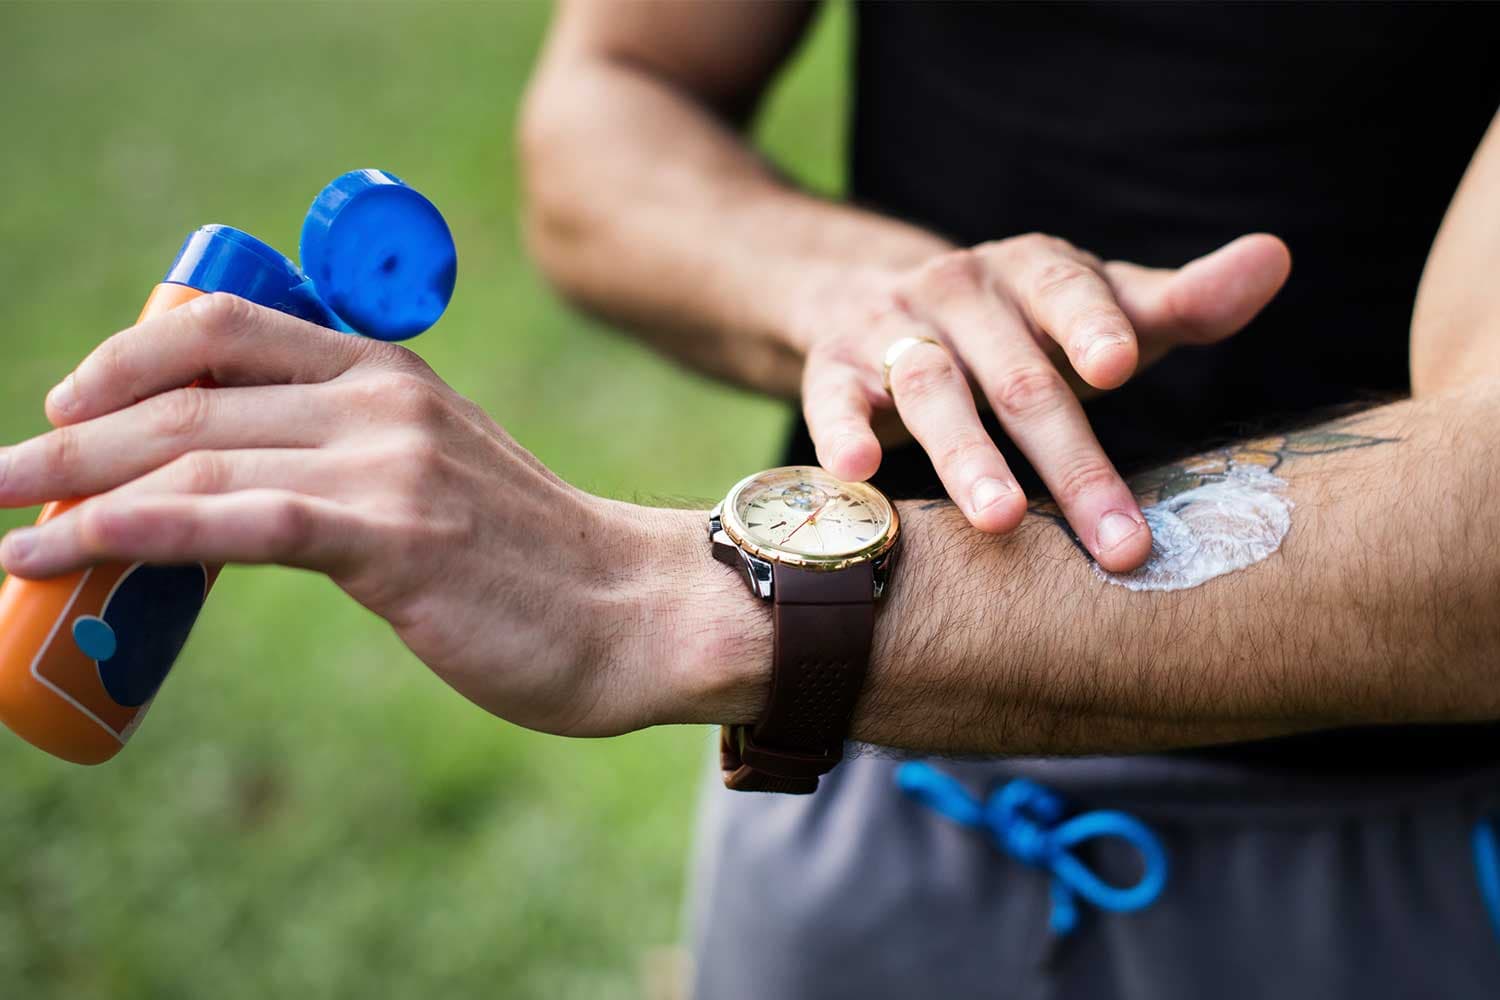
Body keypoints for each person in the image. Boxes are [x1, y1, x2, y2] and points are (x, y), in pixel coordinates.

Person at [0, 2, 1496, 997]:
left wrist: (677, 601)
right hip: (861, 808)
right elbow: (611, 97)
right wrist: (844, 284)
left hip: (1411, 864)